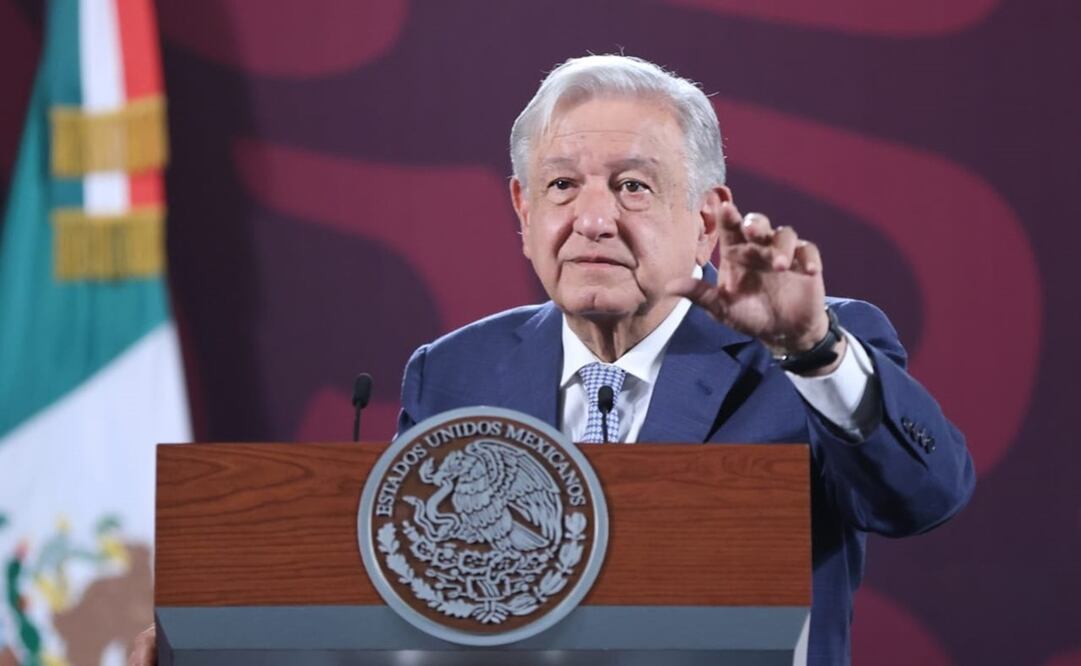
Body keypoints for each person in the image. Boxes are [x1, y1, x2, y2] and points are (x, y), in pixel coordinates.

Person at [130, 54, 974, 666]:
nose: (594, 218)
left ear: (708, 218)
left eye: (634, 186)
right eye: (563, 186)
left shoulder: (805, 353)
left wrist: (813, 350)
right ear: (523, 210)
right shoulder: (456, 371)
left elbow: (924, 498)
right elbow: (397, 608)